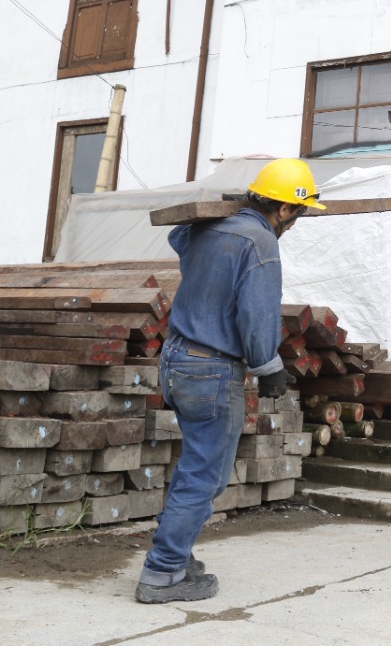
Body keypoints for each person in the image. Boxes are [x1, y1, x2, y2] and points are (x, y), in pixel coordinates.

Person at [135, 158, 324, 603]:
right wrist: (269, 366)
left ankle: (174, 554)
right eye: (299, 214)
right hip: (212, 368)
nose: (296, 223)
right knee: (204, 475)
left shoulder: (208, 229)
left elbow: (177, 235)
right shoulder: (260, 242)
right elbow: (256, 317)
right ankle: (162, 573)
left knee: (200, 470)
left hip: (176, 358)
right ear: (283, 210)